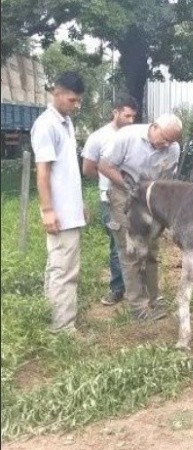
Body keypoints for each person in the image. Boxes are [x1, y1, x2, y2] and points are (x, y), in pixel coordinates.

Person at [97, 114, 182, 322]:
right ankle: (138, 308)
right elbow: (104, 165)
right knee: (131, 251)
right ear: (154, 127)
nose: (167, 145)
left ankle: (154, 299)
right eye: (164, 139)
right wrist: (129, 186)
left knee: (151, 250)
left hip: (151, 197)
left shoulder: (173, 148)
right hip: (123, 193)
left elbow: (167, 179)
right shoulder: (127, 136)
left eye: (171, 141)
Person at [30, 72, 86, 334]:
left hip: (70, 210)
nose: (76, 105)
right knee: (65, 270)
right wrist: (48, 210)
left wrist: (79, 202)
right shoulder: (46, 125)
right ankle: (63, 329)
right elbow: (42, 173)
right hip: (59, 214)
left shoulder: (65, 122)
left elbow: (68, 171)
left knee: (58, 266)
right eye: (72, 100)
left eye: (78, 101)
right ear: (57, 93)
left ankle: (51, 316)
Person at [81, 96, 138, 306]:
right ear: (115, 112)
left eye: (134, 116)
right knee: (117, 245)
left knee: (137, 240)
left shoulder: (135, 135)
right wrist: (108, 181)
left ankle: (137, 286)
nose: (131, 120)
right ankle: (117, 287)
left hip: (136, 200)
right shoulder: (99, 137)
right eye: (127, 115)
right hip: (110, 200)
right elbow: (87, 169)